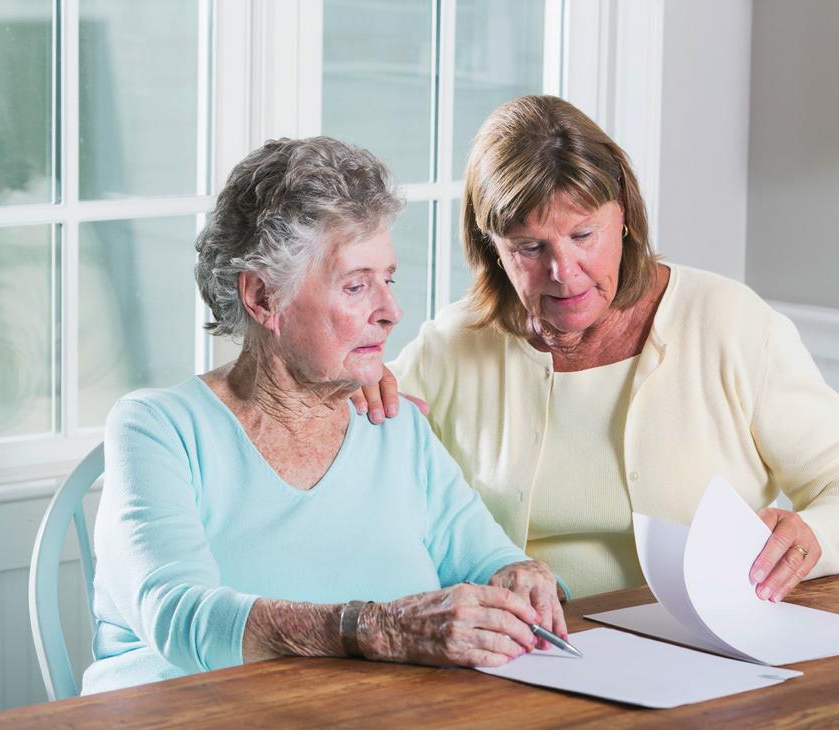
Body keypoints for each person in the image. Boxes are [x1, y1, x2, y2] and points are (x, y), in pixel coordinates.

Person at [356, 95, 839, 601]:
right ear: (491, 247)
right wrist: (351, 391)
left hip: (701, 643)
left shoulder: (729, 322)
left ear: (623, 214)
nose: (563, 273)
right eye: (530, 247)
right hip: (525, 651)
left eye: (583, 236)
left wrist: (813, 535)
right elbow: (356, 470)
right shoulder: (454, 345)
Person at [82, 137, 566, 695]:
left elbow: (489, 559)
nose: (390, 312)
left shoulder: (393, 426)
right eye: (357, 285)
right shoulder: (156, 428)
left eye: (389, 278)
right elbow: (179, 617)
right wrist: (375, 628)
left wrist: (523, 577)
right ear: (263, 298)